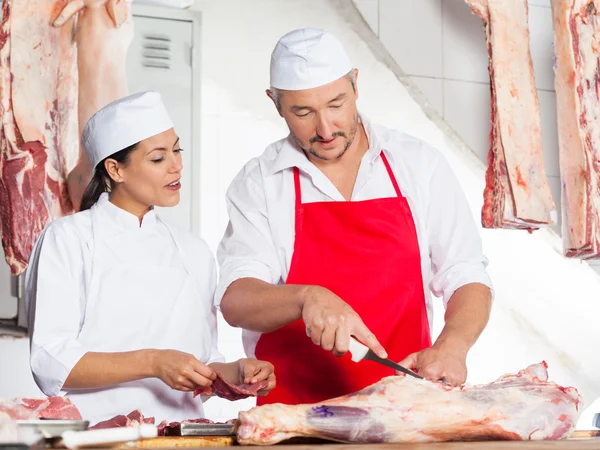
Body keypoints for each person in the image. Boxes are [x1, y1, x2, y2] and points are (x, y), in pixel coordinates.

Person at [215, 28, 493, 405]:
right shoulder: (260, 183)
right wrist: (306, 298)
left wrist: (452, 346)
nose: (326, 129)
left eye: (336, 104)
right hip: (295, 420)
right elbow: (236, 299)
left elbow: (466, 274)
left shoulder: (417, 164)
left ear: (356, 84)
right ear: (275, 103)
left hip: (406, 408)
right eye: (303, 112)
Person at [24, 91, 275, 424]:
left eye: (177, 150)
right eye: (158, 158)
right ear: (115, 169)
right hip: (98, 437)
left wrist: (234, 372)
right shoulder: (68, 239)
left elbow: (203, 361)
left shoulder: (193, 251)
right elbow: (50, 362)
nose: (177, 165)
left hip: (184, 437)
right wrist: (153, 363)